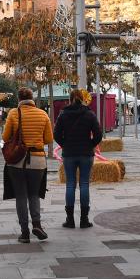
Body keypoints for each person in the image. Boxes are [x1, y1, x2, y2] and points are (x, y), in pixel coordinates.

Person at [2, 87, 53, 243]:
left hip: (17, 161)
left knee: (21, 196)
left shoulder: (13, 113)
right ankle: (37, 224)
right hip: (37, 160)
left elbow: (5, 137)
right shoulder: (43, 114)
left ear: (19, 99)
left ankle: (25, 233)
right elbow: (49, 139)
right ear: (32, 99)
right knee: (34, 194)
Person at [54, 90, 103, 230]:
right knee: (84, 184)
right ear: (82, 99)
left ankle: (69, 219)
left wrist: (65, 144)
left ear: (69, 100)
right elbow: (99, 135)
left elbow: (56, 134)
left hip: (69, 153)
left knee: (70, 184)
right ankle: (84, 219)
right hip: (86, 153)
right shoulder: (89, 114)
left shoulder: (63, 114)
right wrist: (91, 144)